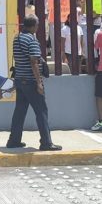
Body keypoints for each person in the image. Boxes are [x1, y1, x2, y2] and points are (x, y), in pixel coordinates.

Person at [5, 14, 61, 151]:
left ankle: (14, 140)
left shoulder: (17, 38)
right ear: (33, 26)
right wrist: (39, 83)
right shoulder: (31, 40)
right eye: (37, 25)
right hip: (30, 82)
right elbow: (34, 62)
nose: (38, 27)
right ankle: (46, 142)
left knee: (19, 112)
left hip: (20, 80)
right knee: (41, 111)